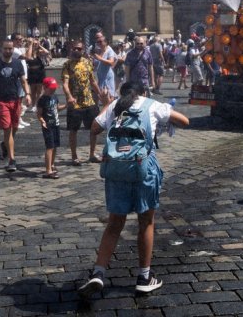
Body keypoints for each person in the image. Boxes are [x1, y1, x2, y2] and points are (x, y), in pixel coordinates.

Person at [77, 81, 189, 299]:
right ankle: (144, 278)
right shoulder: (152, 104)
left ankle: (98, 272)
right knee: (146, 222)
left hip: (117, 171)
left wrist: (107, 103)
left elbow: (94, 128)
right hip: (143, 170)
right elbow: (185, 121)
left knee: (114, 224)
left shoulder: (115, 106)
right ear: (144, 92)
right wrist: (166, 113)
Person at [0, 39, 31, 173]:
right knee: (7, 128)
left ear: (13, 49)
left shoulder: (18, 63)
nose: (8, 51)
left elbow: (24, 81)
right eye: (5, 48)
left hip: (15, 100)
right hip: (0, 100)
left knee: (14, 128)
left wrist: (28, 94)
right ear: (1, 49)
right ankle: (12, 160)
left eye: (10, 49)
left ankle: (5, 145)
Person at [61, 39, 102, 166]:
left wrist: (100, 94)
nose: (77, 50)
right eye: (75, 48)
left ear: (83, 50)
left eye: (79, 48)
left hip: (89, 101)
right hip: (75, 104)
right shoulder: (67, 65)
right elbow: (65, 84)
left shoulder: (88, 62)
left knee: (93, 129)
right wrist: (68, 96)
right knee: (74, 130)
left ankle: (92, 154)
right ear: (71, 49)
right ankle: (74, 156)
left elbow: (92, 81)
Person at [36, 77, 65, 179]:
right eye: (51, 88)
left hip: (56, 124)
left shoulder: (54, 97)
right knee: (50, 147)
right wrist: (42, 121)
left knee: (55, 146)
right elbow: (39, 114)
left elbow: (57, 108)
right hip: (47, 125)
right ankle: (48, 170)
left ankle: (52, 164)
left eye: (54, 88)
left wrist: (66, 106)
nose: (53, 90)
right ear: (45, 87)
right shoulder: (42, 100)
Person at [91, 32, 117, 104]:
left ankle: (109, 113)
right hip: (99, 77)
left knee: (109, 99)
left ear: (105, 42)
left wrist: (100, 59)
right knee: (96, 98)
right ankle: (97, 113)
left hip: (107, 77)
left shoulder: (109, 50)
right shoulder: (98, 50)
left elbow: (112, 61)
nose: (98, 43)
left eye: (100, 41)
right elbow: (95, 64)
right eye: (97, 41)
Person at [26, 38, 50, 112]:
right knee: (33, 90)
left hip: (40, 72)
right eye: (34, 44)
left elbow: (47, 52)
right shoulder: (29, 51)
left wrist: (40, 46)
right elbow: (28, 58)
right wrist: (31, 46)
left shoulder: (40, 52)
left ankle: (37, 104)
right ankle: (33, 105)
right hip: (32, 72)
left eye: (36, 44)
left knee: (39, 90)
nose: (35, 45)